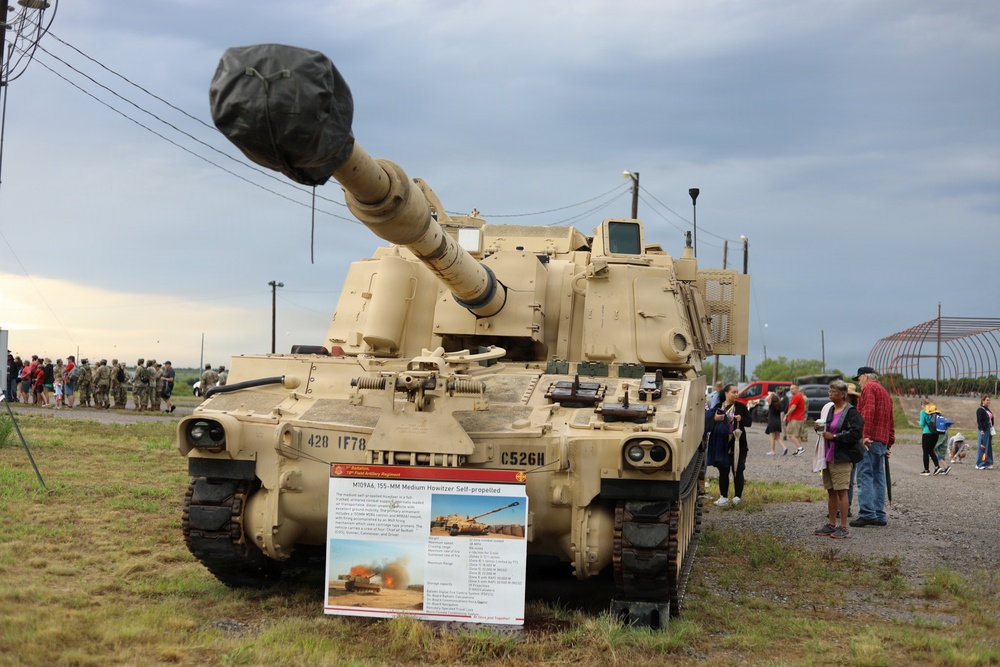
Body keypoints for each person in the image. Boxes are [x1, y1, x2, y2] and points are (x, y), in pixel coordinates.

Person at [814, 380, 864, 539]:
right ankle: (831, 524)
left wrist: (835, 437)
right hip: (828, 455)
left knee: (842, 491)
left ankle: (843, 527)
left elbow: (855, 434)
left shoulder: (851, 412)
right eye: (829, 391)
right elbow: (827, 430)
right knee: (831, 491)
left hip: (842, 457)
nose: (830, 394)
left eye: (833, 391)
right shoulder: (830, 410)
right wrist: (819, 429)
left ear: (843, 394)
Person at [850, 366, 895, 528]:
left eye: (859, 378)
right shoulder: (884, 392)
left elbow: (868, 412)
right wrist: (889, 442)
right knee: (878, 476)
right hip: (881, 440)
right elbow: (890, 419)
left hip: (870, 439)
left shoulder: (869, 388)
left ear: (865, 376)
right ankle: (879, 514)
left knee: (864, 475)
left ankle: (867, 513)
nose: (859, 383)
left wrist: (864, 436)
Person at [706, 383, 753, 507]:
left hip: (738, 445)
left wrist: (740, 419)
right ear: (726, 393)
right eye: (733, 392)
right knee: (723, 471)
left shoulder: (741, 407)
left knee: (738, 470)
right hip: (722, 445)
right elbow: (709, 422)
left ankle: (737, 496)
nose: (736, 394)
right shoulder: (718, 407)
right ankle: (724, 497)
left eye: (737, 392)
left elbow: (749, 423)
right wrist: (715, 419)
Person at [919, 399, 942, 476]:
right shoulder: (935, 410)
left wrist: (921, 423)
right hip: (936, 433)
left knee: (925, 451)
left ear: (923, 404)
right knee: (931, 450)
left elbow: (922, 423)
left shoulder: (923, 411)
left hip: (927, 433)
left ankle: (926, 470)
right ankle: (937, 466)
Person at [785, 384, 807, 456]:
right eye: (791, 389)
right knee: (797, 435)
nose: (791, 390)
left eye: (793, 389)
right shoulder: (800, 396)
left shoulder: (797, 396)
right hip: (800, 418)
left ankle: (800, 448)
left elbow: (793, 407)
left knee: (791, 434)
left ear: (797, 389)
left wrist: (786, 415)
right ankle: (798, 450)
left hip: (795, 418)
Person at [976, 395, 994, 470]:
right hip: (983, 429)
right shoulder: (980, 410)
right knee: (982, 446)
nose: (988, 401)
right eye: (987, 400)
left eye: (989, 400)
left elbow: (990, 419)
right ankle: (979, 463)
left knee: (988, 446)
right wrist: (981, 429)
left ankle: (988, 463)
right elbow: (979, 421)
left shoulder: (988, 410)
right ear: (983, 401)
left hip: (989, 428)